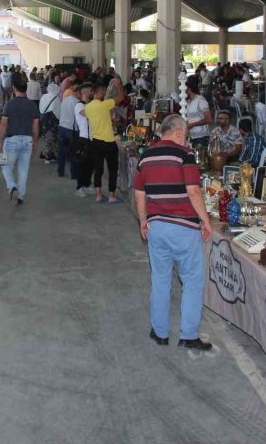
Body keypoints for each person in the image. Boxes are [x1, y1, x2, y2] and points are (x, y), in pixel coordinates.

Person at [133, 114, 213, 352]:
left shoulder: (145, 156)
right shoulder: (184, 155)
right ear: (179, 133)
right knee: (192, 281)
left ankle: (159, 332)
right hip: (184, 228)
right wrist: (206, 221)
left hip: (157, 227)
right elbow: (193, 191)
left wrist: (143, 221)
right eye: (186, 135)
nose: (186, 139)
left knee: (160, 279)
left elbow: (139, 193)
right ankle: (188, 335)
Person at [0, 76, 39, 205]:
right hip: (27, 140)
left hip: (11, 141)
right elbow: (36, 126)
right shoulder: (32, 105)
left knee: (5, 166)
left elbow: (3, 125)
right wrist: (35, 140)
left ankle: (12, 186)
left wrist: (0, 142)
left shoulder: (10, 104)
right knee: (23, 169)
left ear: (14, 89)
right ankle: (20, 196)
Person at [83, 82, 125, 203]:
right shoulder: (104, 104)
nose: (105, 93)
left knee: (98, 169)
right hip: (109, 142)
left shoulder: (88, 107)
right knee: (112, 170)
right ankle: (112, 195)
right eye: (104, 91)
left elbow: (86, 115)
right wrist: (118, 85)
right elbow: (121, 97)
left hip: (95, 142)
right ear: (100, 92)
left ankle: (99, 195)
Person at [73, 83, 94, 198]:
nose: (92, 93)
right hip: (84, 138)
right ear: (84, 93)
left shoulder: (91, 104)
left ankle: (86, 185)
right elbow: (87, 113)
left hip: (92, 138)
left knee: (91, 164)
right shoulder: (79, 106)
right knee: (83, 164)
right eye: (90, 91)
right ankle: (79, 187)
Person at [57, 82, 81, 180]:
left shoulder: (65, 100)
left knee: (61, 152)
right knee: (74, 152)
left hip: (62, 127)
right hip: (72, 129)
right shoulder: (77, 103)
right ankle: (74, 175)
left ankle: (60, 171)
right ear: (78, 93)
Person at [184, 76, 212, 148]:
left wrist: (192, 124)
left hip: (202, 137)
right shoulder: (188, 102)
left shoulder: (200, 100)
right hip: (193, 137)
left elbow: (209, 119)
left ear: (189, 88)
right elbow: (190, 119)